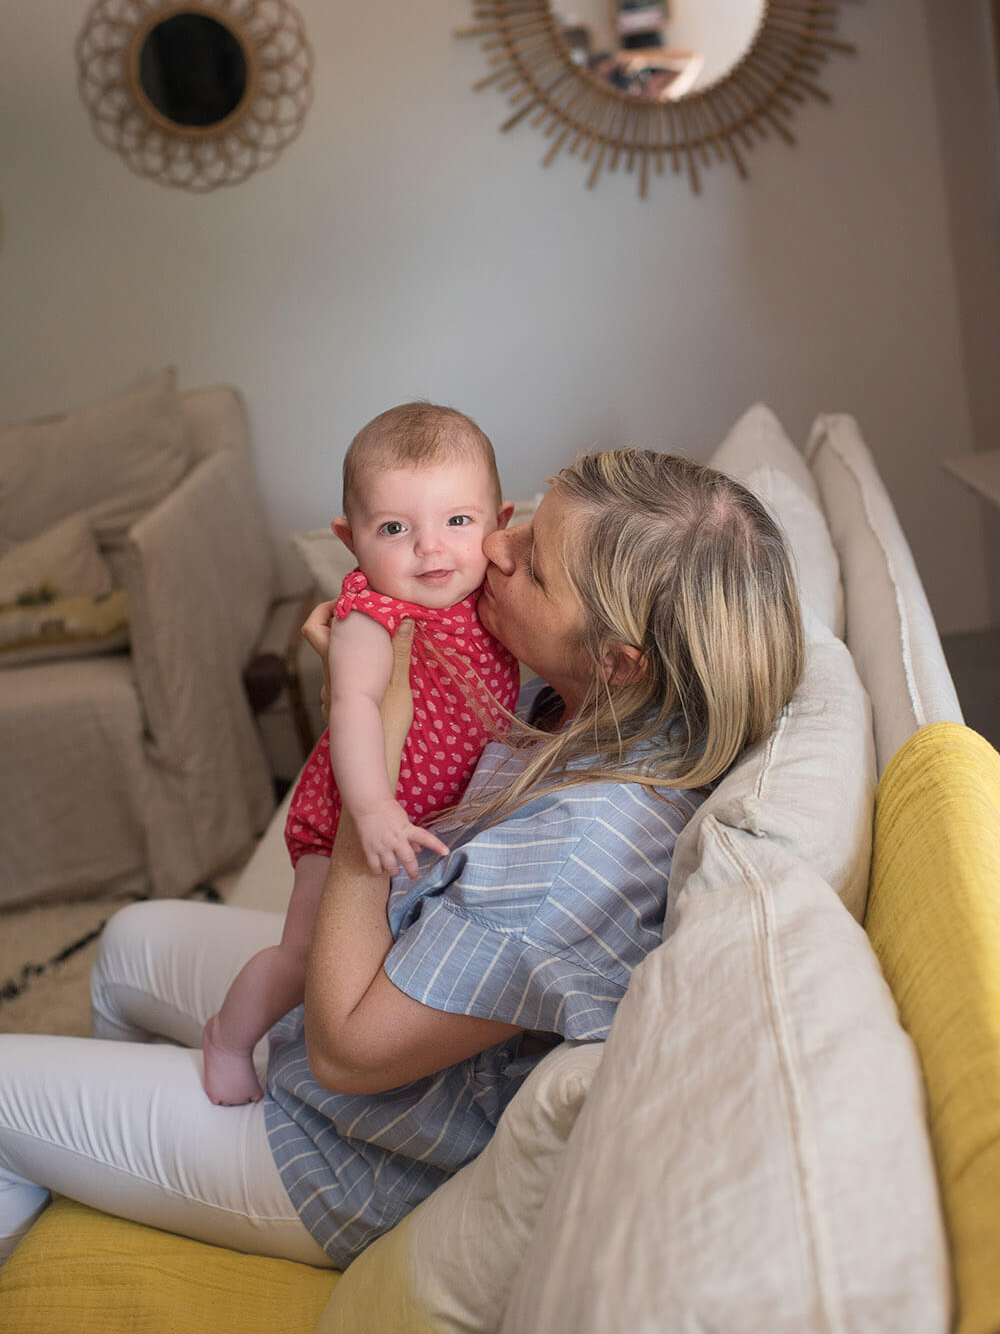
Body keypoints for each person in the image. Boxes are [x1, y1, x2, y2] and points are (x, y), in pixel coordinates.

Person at [0, 448, 803, 1272]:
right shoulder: (587, 705)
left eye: (532, 566)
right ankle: (104, 1170)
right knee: (126, 945)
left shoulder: (583, 852)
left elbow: (345, 1053)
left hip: (342, 1155)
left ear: (619, 660)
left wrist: (373, 751)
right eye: (523, 522)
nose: (495, 546)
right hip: (359, 988)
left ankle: (86, 1224)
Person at [202, 402, 519, 1105]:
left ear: (501, 523)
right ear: (350, 538)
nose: (430, 550)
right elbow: (350, 704)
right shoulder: (373, 612)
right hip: (349, 808)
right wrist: (372, 807)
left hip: (431, 817)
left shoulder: (494, 596)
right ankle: (227, 1034)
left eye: (458, 521)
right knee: (307, 953)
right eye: (395, 528)